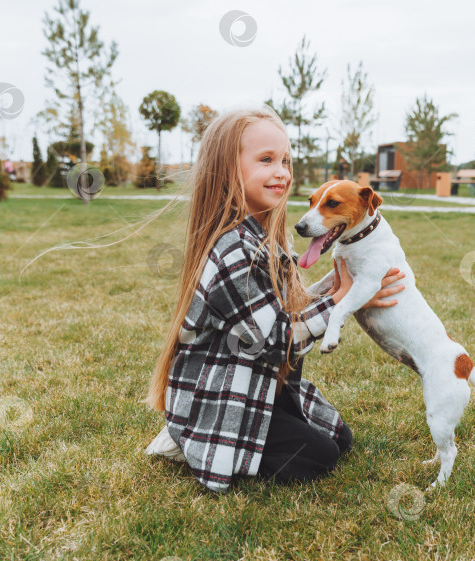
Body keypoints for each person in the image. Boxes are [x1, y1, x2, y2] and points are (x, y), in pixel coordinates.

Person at [144, 105, 406, 493]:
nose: (281, 170)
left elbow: (287, 305)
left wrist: (335, 288)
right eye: (266, 159)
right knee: (318, 457)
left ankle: (247, 427)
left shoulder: (268, 236)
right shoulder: (233, 250)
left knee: (341, 439)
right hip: (224, 393)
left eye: (285, 159)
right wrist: (340, 300)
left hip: (262, 381)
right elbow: (273, 341)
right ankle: (193, 437)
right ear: (228, 169)